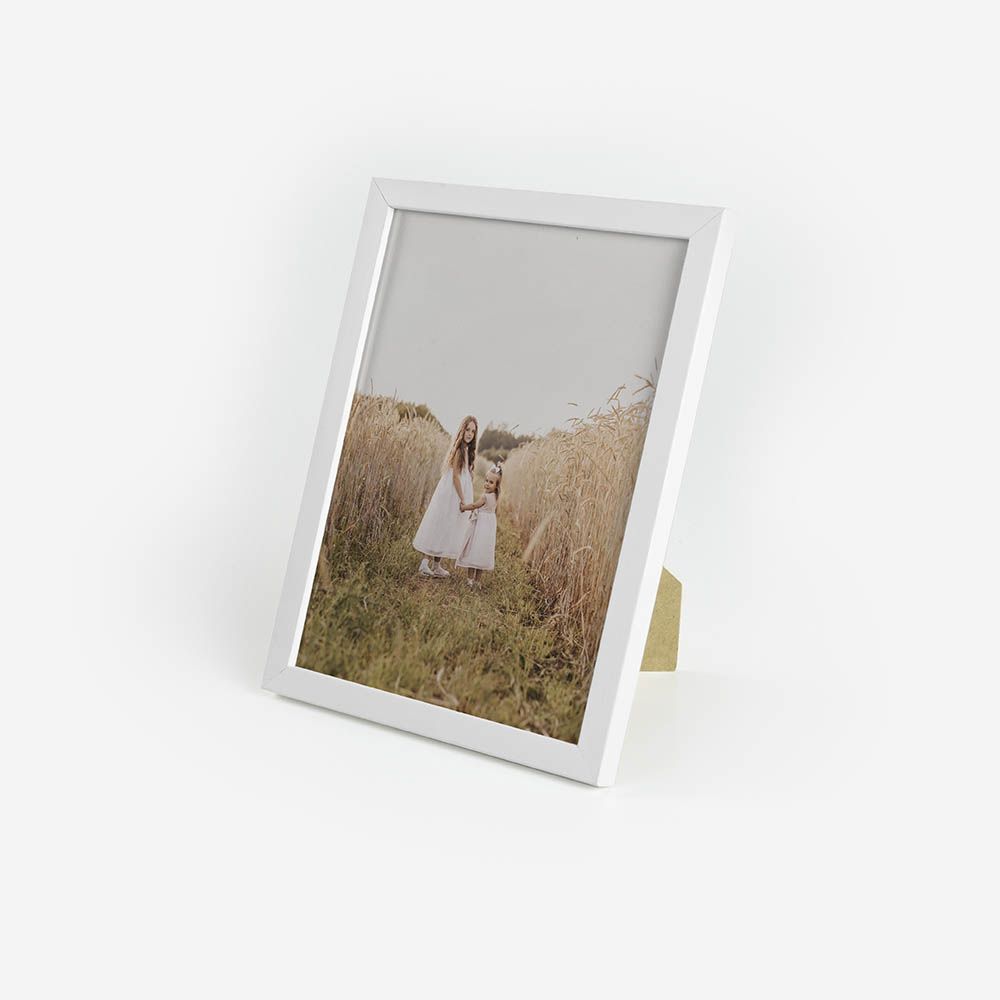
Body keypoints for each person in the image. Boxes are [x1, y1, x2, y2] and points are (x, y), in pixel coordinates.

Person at [413, 415, 477, 577]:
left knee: (448, 526)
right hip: (452, 493)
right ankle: (424, 563)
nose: (470, 434)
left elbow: (464, 475)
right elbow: (455, 477)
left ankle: (437, 565)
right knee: (440, 523)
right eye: (467, 430)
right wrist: (463, 499)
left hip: (458, 492)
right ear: (462, 430)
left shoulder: (468, 451)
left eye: (473, 431)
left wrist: (470, 474)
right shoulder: (459, 449)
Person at [456, 462, 502, 586]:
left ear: (496, 486)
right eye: (486, 480)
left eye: (491, 482)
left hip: (481, 525)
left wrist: (463, 507)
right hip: (489, 526)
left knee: (474, 548)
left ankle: (470, 580)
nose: (487, 483)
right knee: (482, 550)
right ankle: (477, 581)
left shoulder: (485, 497)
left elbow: (474, 505)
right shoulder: (496, 496)